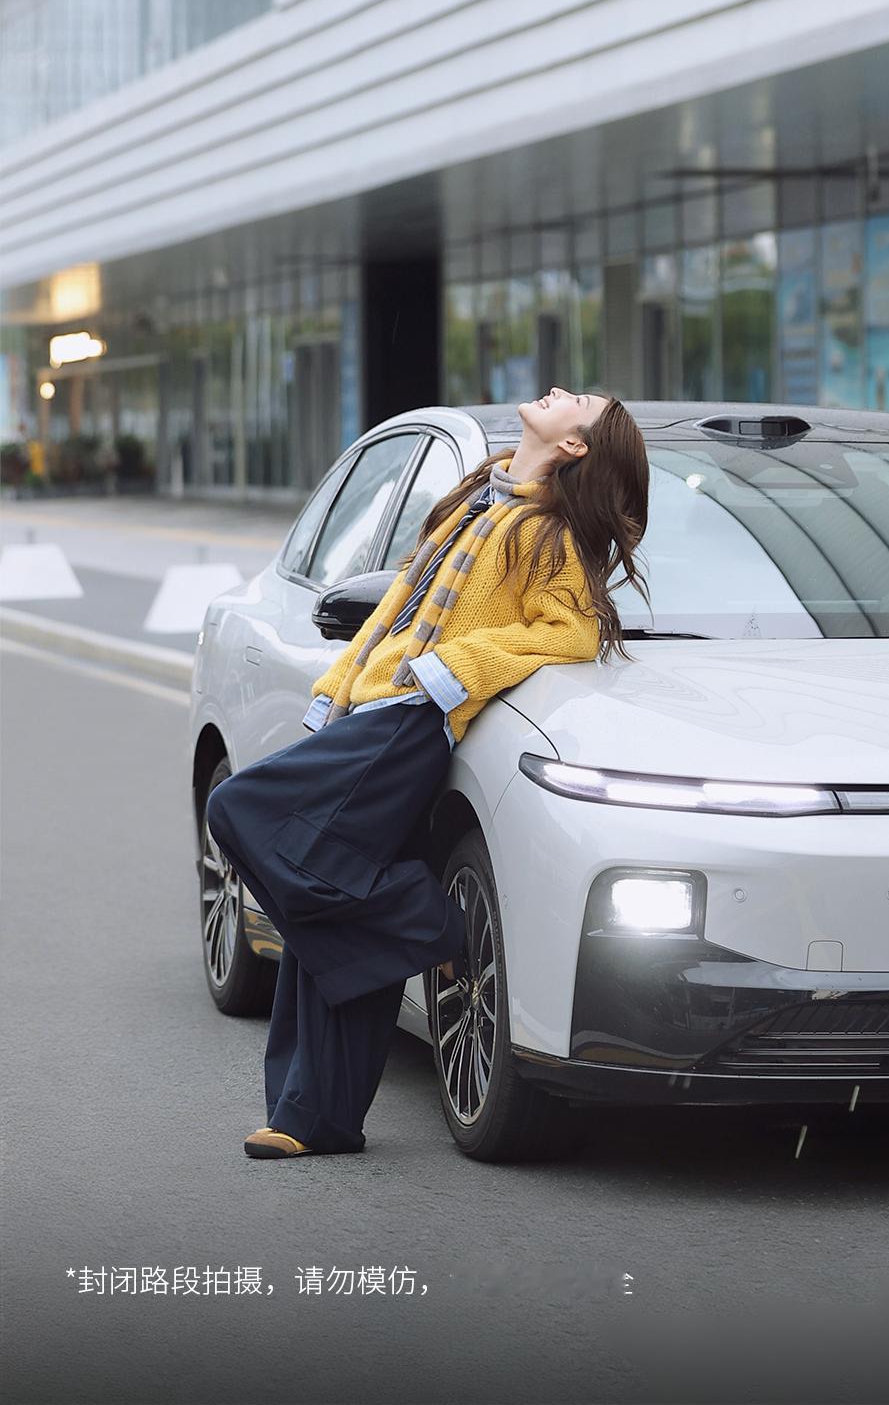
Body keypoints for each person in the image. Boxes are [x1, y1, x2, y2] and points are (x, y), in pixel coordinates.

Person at [204, 389, 649, 1159]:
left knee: (242, 809)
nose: (557, 391)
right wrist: (335, 689)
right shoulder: (481, 495)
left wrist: (452, 672)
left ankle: (424, 920)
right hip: (373, 706)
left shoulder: (548, 534)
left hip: (414, 721)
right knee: (332, 914)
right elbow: (395, 611)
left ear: (577, 446)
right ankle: (316, 1119)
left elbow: (570, 632)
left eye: (576, 399)